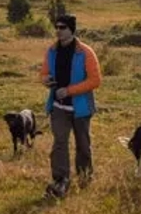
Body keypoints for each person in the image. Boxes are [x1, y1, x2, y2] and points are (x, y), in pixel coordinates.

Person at [40, 13, 102, 198]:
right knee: (60, 143)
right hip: (59, 107)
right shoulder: (52, 51)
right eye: (56, 27)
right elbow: (43, 73)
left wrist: (69, 91)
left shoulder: (86, 52)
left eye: (62, 27)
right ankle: (60, 180)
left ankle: (84, 177)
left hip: (81, 107)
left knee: (83, 144)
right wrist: (46, 80)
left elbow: (95, 80)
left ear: (71, 30)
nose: (58, 31)